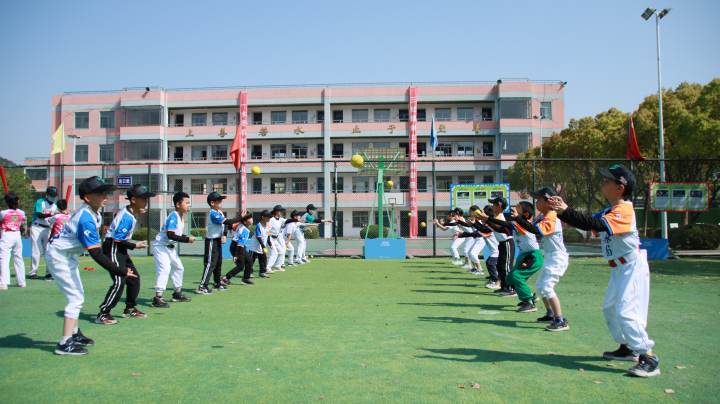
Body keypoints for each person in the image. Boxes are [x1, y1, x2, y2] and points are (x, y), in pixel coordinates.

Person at [548, 164, 660, 377]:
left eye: (608, 180)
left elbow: (596, 225)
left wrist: (565, 210)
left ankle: (649, 357)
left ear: (620, 187)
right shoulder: (609, 210)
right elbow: (588, 222)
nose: (603, 183)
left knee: (627, 312)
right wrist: (562, 211)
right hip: (619, 269)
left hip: (631, 267)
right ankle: (628, 348)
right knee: (610, 309)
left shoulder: (625, 208)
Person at [46, 176, 136, 355]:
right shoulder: (86, 218)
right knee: (75, 299)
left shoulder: (95, 214)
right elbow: (96, 254)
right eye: (100, 192)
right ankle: (64, 343)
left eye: (105, 191)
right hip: (58, 256)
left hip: (67, 255)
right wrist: (121, 271)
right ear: (87, 197)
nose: (105, 195)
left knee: (78, 294)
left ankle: (74, 333)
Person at [96, 184, 154, 324]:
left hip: (119, 248)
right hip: (113, 248)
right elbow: (117, 239)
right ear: (133, 200)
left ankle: (130, 308)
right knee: (119, 281)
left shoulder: (131, 213)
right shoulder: (127, 216)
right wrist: (135, 245)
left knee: (134, 278)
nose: (146, 201)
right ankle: (103, 313)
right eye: (143, 198)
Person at [530, 187, 570, 332]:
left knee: (547, 287)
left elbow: (536, 230)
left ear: (549, 202)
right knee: (541, 286)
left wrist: (518, 222)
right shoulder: (544, 215)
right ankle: (550, 313)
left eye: (539, 199)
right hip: (550, 256)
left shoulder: (552, 216)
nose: (537, 202)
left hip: (558, 257)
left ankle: (560, 320)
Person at [151, 192, 195, 308]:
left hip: (170, 248)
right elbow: (170, 235)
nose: (188, 205)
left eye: (189, 203)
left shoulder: (180, 217)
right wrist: (186, 239)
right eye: (186, 203)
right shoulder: (174, 215)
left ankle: (177, 293)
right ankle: (158, 298)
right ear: (178, 204)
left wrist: (186, 237)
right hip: (160, 246)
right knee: (165, 268)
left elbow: (176, 234)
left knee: (179, 267)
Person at [197, 191, 240, 294]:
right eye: (218, 200)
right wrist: (241, 218)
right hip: (211, 241)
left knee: (218, 262)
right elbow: (227, 222)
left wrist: (224, 235)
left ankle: (217, 283)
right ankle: (202, 286)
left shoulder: (219, 212)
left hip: (217, 240)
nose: (221, 201)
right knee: (210, 264)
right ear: (212, 203)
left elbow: (225, 225)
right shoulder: (212, 213)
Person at [28, 186, 58, 280]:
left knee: (48, 251)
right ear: (47, 195)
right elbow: (39, 214)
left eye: (54, 195)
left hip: (47, 228)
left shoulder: (55, 206)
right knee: (36, 250)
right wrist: (52, 214)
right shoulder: (40, 201)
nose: (53, 197)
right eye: (52, 195)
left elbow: (52, 220)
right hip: (37, 227)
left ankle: (49, 273)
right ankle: (33, 272)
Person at [0, 192, 27, 289]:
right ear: (17, 201)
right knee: (19, 259)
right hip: (17, 236)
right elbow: (23, 223)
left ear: (7, 202)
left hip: (6, 235)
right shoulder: (22, 213)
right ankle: (22, 282)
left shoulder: (3, 213)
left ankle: (4, 283)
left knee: (4, 258)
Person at [222, 213, 255, 285]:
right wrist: (236, 255)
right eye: (249, 218)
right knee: (240, 266)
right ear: (245, 222)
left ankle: (246, 278)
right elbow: (239, 244)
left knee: (249, 260)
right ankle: (225, 278)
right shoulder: (244, 230)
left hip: (239, 246)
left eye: (251, 217)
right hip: (236, 247)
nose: (251, 219)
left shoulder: (242, 226)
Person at [247, 210, 272, 278]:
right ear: (263, 217)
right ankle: (249, 273)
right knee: (251, 260)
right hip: (254, 246)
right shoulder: (259, 225)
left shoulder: (268, 225)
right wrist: (264, 247)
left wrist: (270, 244)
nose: (269, 219)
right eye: (268, 217)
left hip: (262, 246)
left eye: (270, 217)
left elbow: (268, 235)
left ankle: (262, 272)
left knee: (263, 259)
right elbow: (258, 237)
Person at [267, 205, 287, 272]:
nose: (281, 212)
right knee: (274, 253)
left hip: (275, 239)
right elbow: (267, 230)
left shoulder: (280, 219)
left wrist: (296, 220)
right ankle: (268, 268)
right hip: (270, 239)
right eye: (280, 211)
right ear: (276, 211)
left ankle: (277, 266)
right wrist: (269, 239)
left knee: (281, 251)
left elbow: (287, 221)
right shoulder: (271, 220)